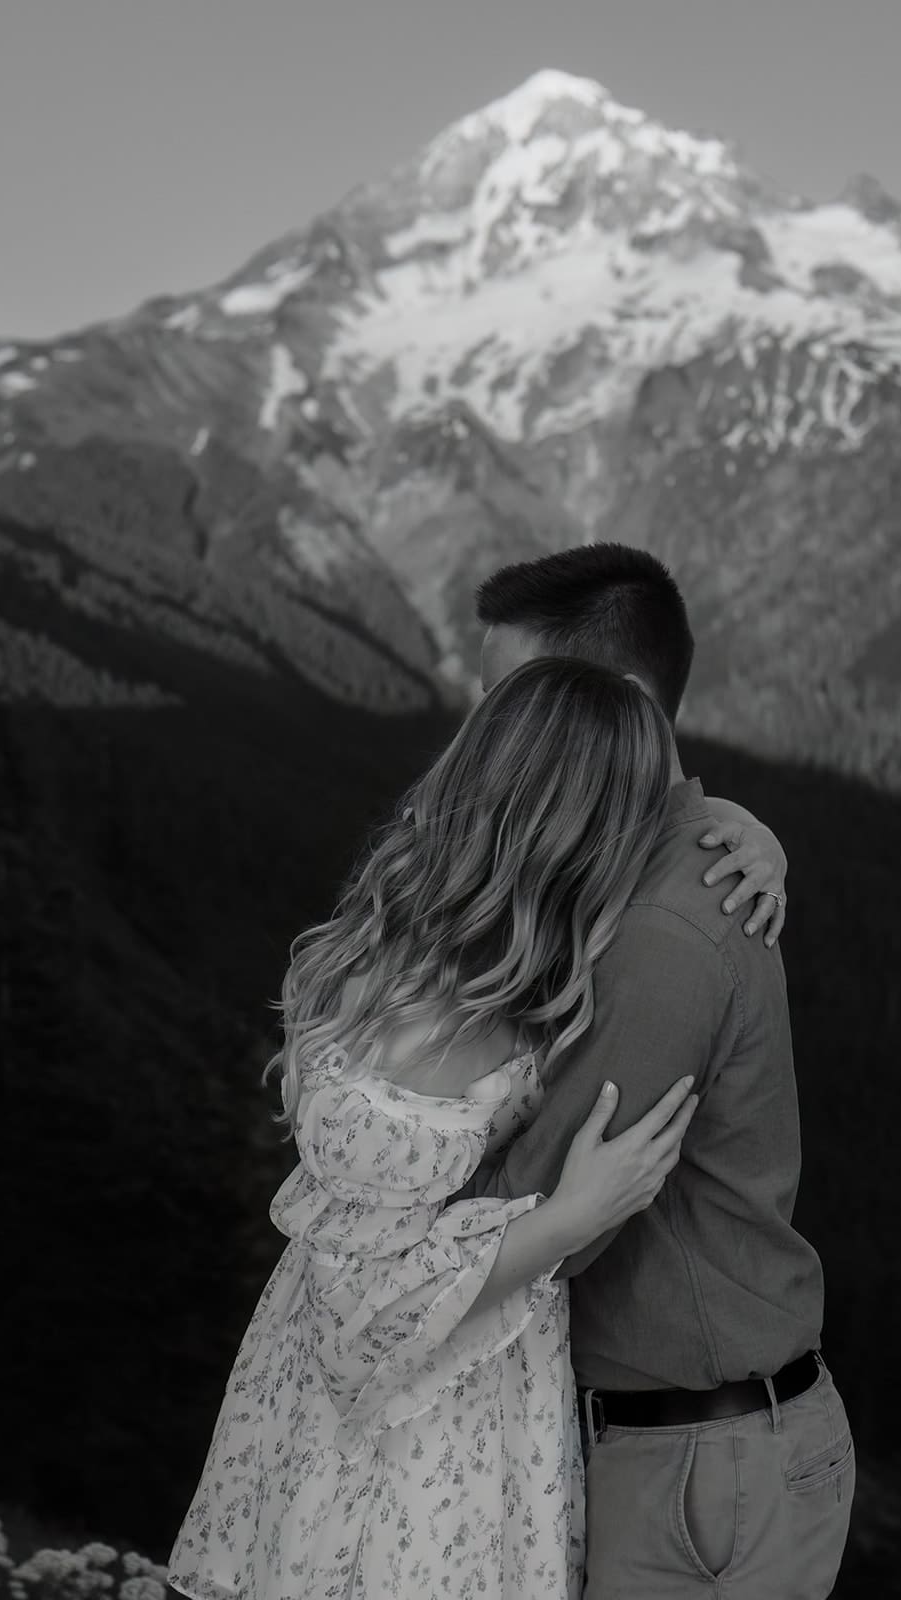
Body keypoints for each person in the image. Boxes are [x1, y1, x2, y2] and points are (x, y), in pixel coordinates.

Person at [167, 655, 705, 1600]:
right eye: (646, 814)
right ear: (590, 835)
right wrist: (573, 1217)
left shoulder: (408, 944)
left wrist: (748, 837)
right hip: (414, 1448)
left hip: (335, 1424)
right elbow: (370, 1306)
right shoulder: (452, 1023)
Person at [462, 543, 855, 1598]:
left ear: (620, 706)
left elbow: (537, 1220)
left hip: (696, 1468)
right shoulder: (653, 860)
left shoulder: (661, 931)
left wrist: (359, 1209)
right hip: (703, 1444)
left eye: (511, 699)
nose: (483, 733)